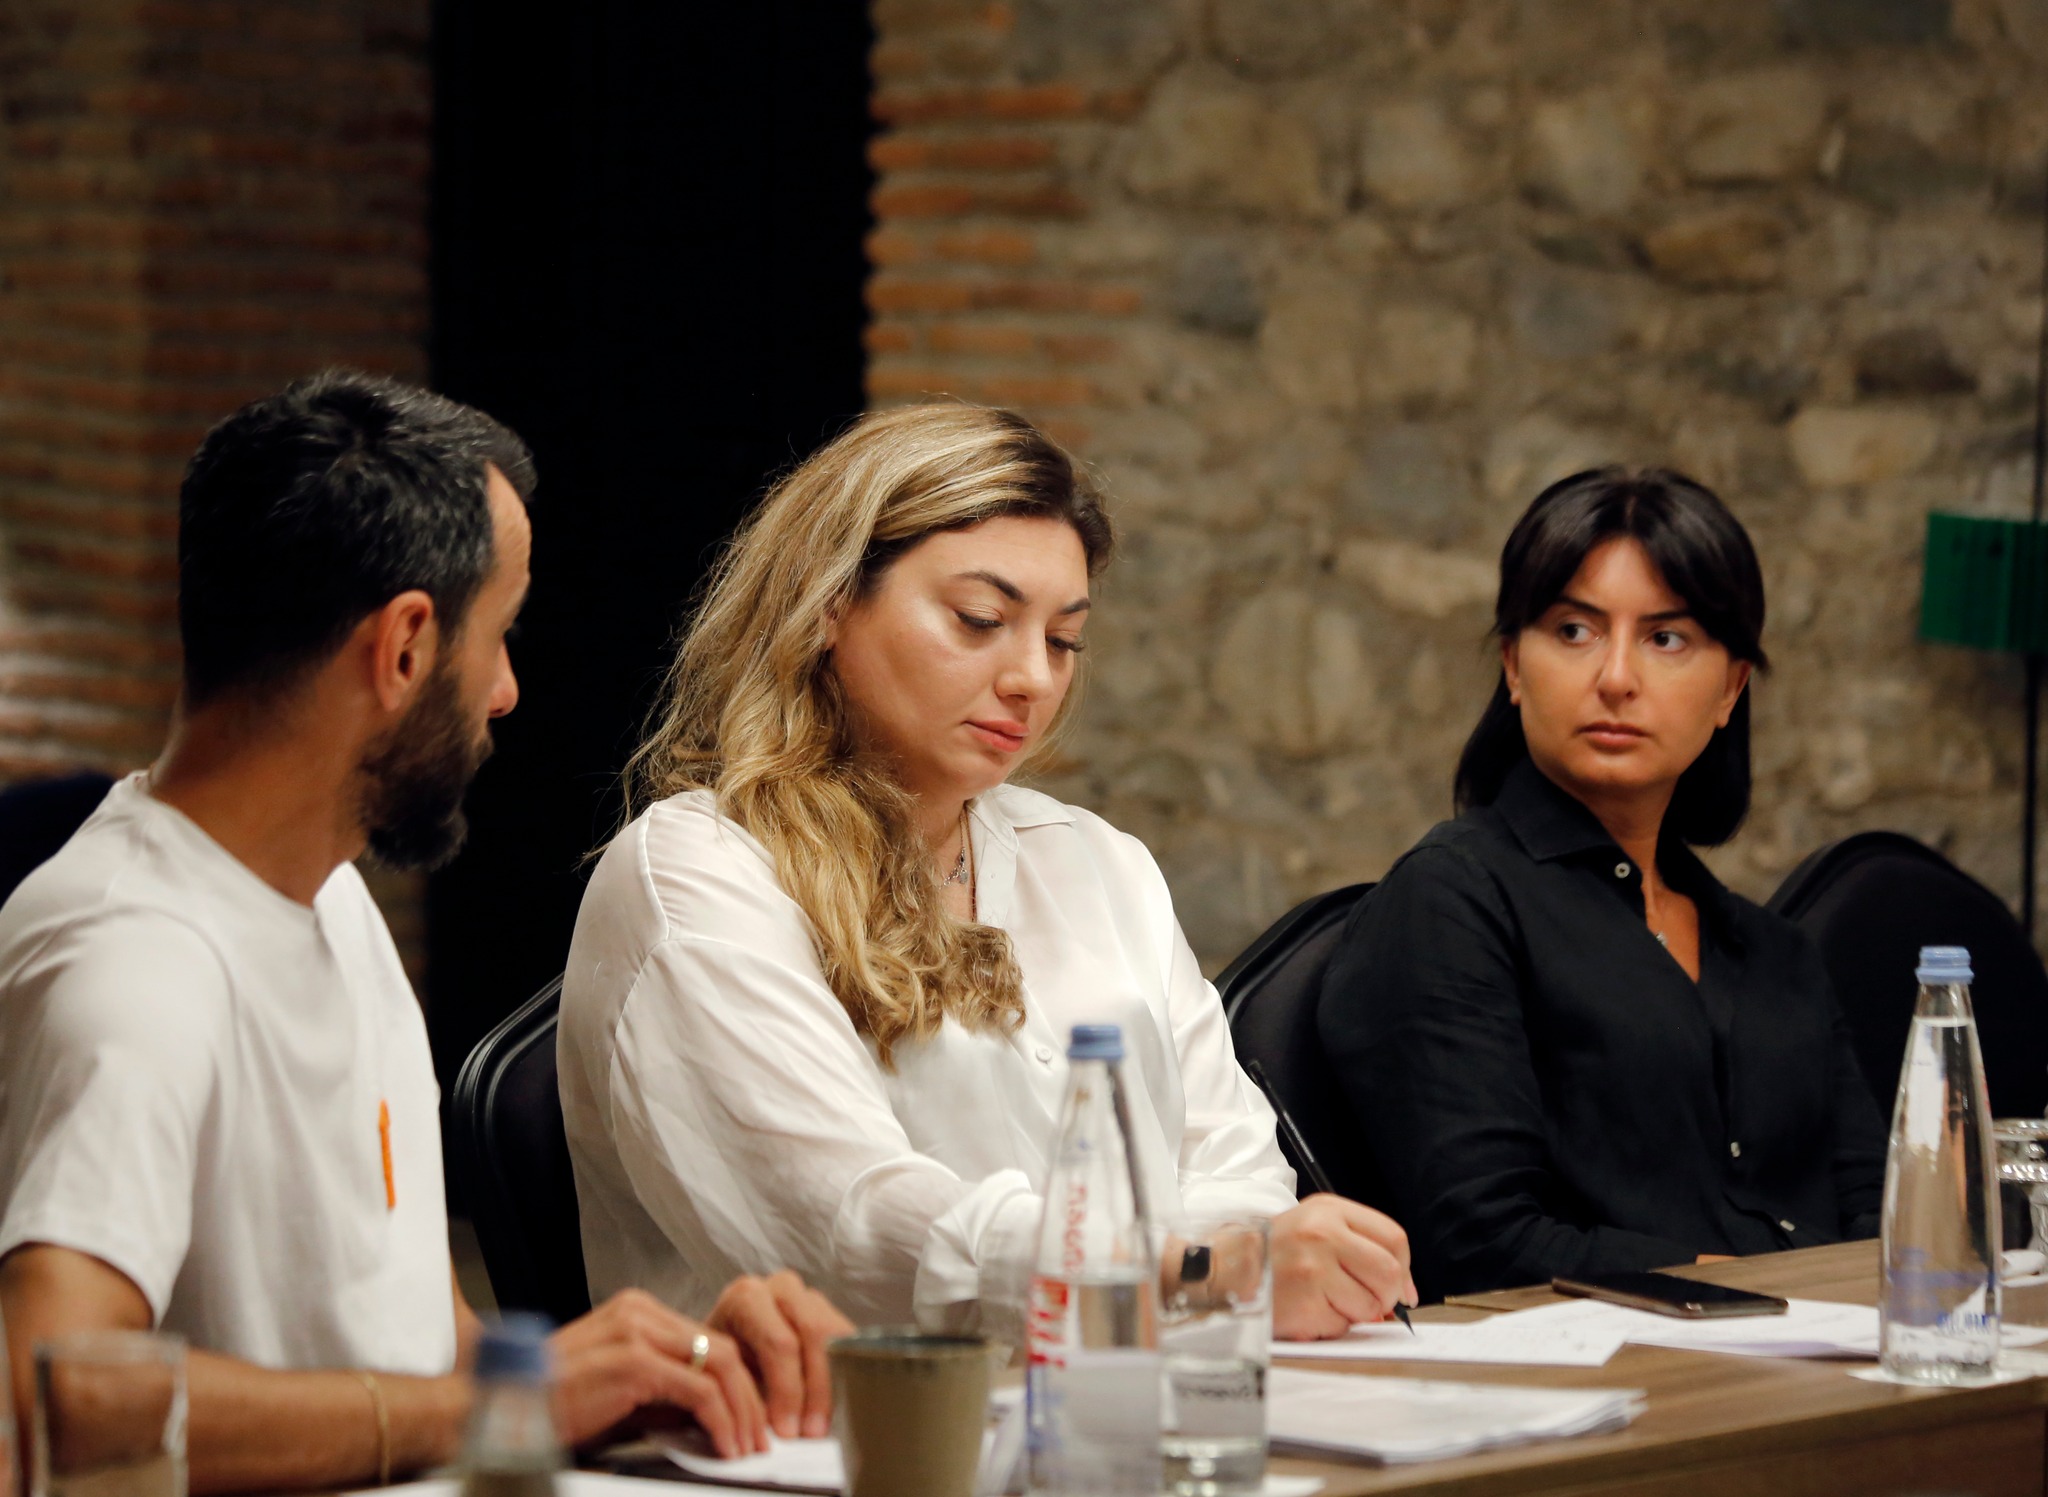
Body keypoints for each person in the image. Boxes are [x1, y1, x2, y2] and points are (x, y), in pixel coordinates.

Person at [0, 371, 852, 1495]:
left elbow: (416, 1354)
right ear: (404, 647)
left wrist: (633, 1372)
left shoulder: (326, 894)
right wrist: (492, 1404)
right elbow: (57, 1394)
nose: (505, 691)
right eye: (498, 635)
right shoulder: (136, 963)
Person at [559, 403, 1415, 1345]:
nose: (1033, 678)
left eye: (1062, 639)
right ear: (829, 601)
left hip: (1133, 1393)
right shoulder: (701, 873)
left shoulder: (1099, 863)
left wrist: (1221, 1274)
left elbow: (1238, 1167)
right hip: (846, 1423)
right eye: (981, 620)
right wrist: (1199, 1278)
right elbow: (853, 1239)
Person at [1317, 468, 1887, 1300]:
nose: (1617, 676)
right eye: (1574, 630)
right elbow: (1481, 1241)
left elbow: (1882, 1215)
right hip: (1599, 1365)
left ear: (1731, 688)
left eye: (1667, 638)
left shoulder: (1777, 953)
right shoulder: (1453, 900)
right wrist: (1781, 1299)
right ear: (1514, 666)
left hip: (1831, 1353)